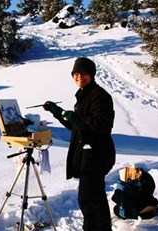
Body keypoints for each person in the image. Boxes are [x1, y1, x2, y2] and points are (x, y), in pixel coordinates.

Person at [43, 57, 116, 230]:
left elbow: (104, 125)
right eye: (75, 74)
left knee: (89, 200)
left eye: (83, 73)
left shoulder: (99, 96)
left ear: (91, 75)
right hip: (88, 155)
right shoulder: (84, 95)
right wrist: (58, 113)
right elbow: (77, 126)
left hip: (96, 155)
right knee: (94, 197)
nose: (79, 77)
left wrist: (77, 119)